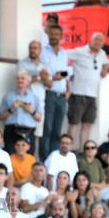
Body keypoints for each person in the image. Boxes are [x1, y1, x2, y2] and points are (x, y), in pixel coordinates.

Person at [67, 32, 109, 148]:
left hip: (92, 95)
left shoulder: (102, 54)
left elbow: (108, 63)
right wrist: (68, 74)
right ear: (90, 40)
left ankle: (82, 151)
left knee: (87, 125)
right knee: (74, 124)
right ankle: (69, 150)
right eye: (96, 39)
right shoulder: (80, 51)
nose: (98, 43)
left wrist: (105, 69)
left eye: (101, 41)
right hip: (78, 93)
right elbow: (63, 56)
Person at [40, 24, 70, 160]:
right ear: (48, 35)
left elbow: (66, 74)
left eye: (56, 34)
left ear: (61, 36)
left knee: (57, 130)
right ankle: (44, 159)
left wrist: (68, 90)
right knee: (47, 129)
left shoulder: (64, 53)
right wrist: (53, 77)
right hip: (49, 93)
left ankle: (53, 158)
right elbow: (42, 73)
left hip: (62, 95)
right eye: (51, 34)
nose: (54, 37)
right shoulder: (43, 52)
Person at [0, 71, 41, 154]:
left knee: (29, 157)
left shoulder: (35, 98)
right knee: (10, 155)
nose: (20, 80)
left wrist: (31, 111)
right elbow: (0, 117)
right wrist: (11, 109)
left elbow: (39, 118)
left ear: (28, 82)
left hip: (28, 131)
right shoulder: (8, 96)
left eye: (22, 78)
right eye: (18, 78)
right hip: (11, 130)